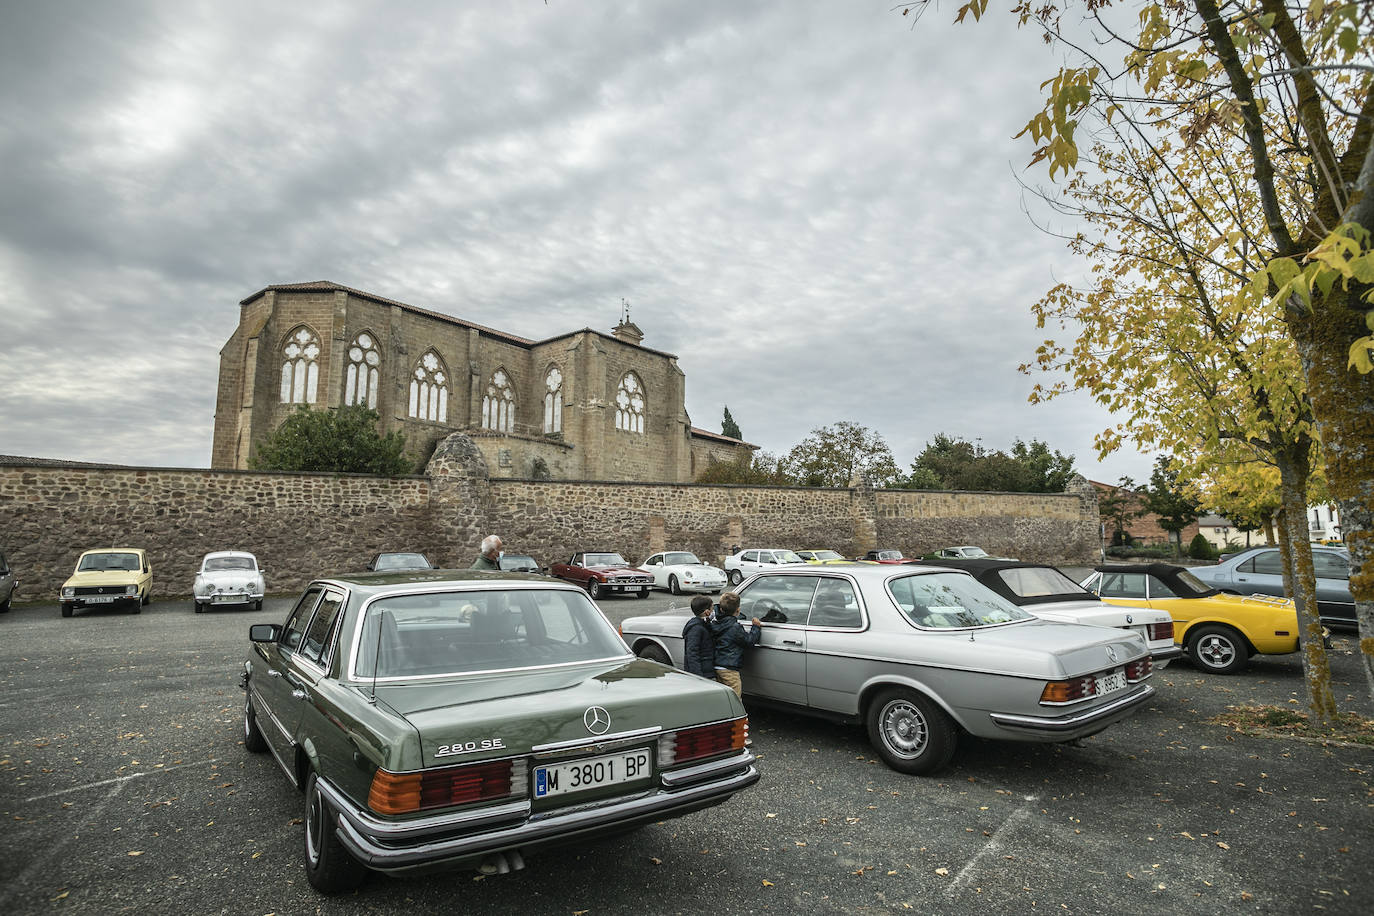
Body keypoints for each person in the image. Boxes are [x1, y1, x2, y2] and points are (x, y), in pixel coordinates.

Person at [710, 591, 761, 697]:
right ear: (738, 610)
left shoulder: (714, 623)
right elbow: (749, 641)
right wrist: (756, 627)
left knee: (722, 697)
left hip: (716, 666)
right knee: (735, 700)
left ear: (720, 609)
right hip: (730, 670)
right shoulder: (735, 627)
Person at [681, 595, 716, 677]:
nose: (713, 611)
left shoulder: (703, 625)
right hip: (703, 673)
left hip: (707, 671)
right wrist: (698, 676)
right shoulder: (696, 629)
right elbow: (692, 653)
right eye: (712, 609)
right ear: (707, 612)